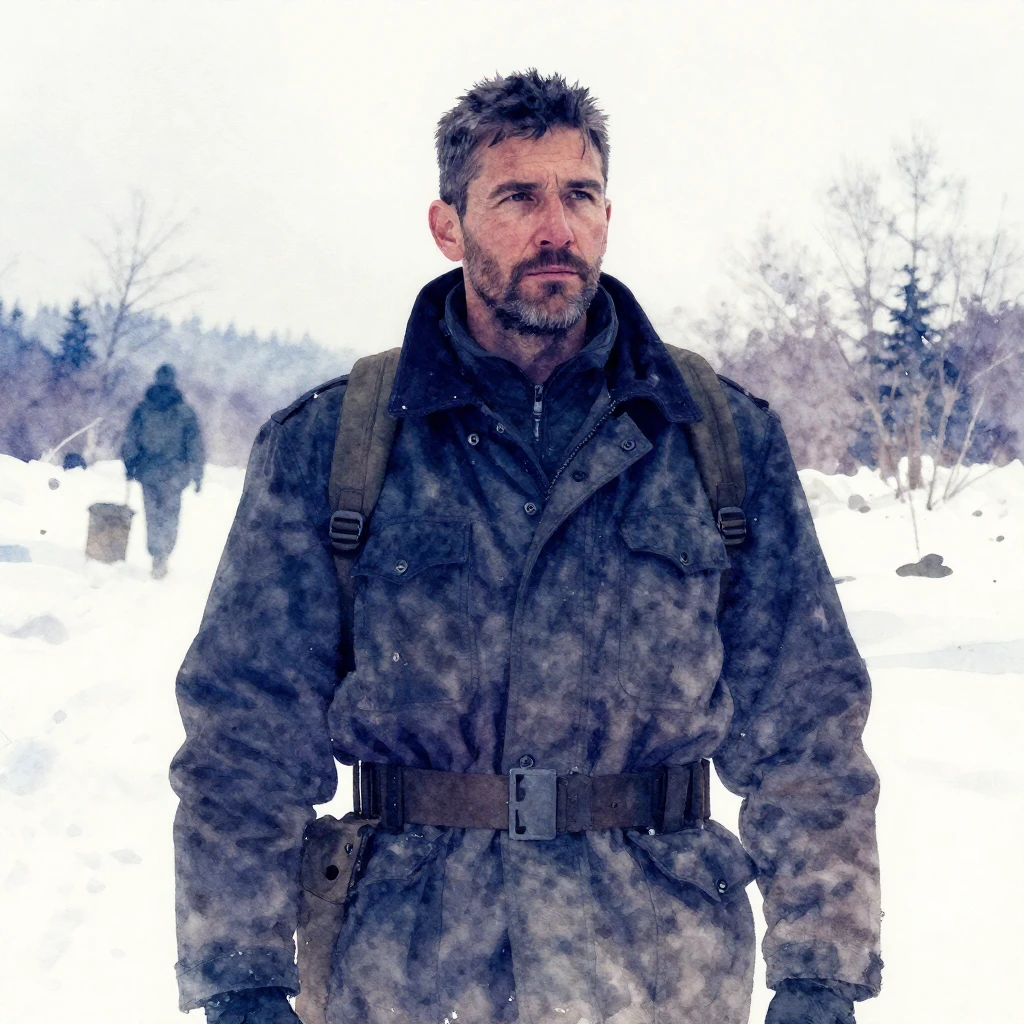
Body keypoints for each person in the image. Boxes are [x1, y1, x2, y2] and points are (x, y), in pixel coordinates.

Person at [170, 72, 882, 1024]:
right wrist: (239, 976)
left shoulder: (716, 438)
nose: (557, 228)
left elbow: (808, 718)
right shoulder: (337, 445)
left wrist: (822, 970)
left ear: (607, 215)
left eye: (579, 195)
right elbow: (246, 730)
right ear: (448, 226)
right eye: (517, 196)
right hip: (409, 970)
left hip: (659, 970)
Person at [121, 364, 205, 579]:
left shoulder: (143, 409)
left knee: (152, 514)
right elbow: (195, 445)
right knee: (170, 515)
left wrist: (129, 465)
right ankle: (163, 554)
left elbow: (131, 438)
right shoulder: (185, 412)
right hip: (175, 473)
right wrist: (197, 474)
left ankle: (156, 553)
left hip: (148, 470)